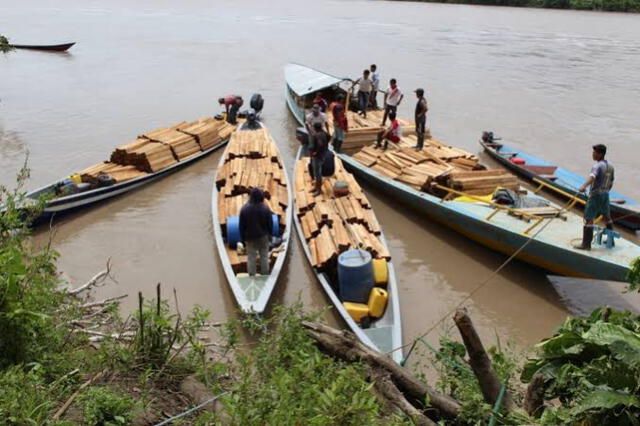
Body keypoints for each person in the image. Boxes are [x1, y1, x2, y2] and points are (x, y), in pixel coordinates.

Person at [573, 144, 615, 251]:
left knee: (588, 218)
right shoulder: (610, 165)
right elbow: (611, 182)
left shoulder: (597, 166)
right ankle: (612, 240)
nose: (593, 154)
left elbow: (592, 177)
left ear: (600, 154)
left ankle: (586, 244)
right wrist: (605, 191)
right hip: (605, 194)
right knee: (607, 216)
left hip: (596, 195)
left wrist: (584, 186)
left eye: (594, 152)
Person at [239, 187, 273, 276]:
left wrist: (243, 239)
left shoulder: (244, 209)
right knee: (264, 257)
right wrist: (270, 236)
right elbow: (270, 224)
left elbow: (241, 226)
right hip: (263, 237)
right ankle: (265, 274)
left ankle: (252, 276)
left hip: (249, 238)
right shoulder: (265, 209)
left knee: (251, 258)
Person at [309, 122, 330, 195]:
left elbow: (320, 145)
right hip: (323, 154)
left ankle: (319, 190)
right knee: (317, 172)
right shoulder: (324, 133)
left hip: (318, 156)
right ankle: (316, 187)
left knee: (317, 173)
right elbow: (329, 138)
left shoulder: (316, 135)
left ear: (315, 128)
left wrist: (315, 152)